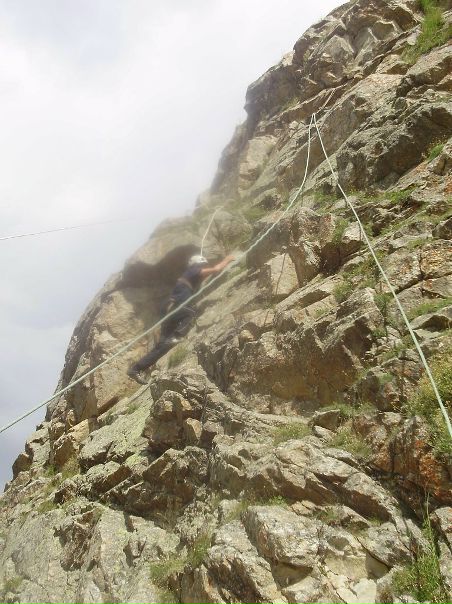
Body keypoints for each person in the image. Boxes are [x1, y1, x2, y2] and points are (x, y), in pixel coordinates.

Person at [127, 253, 235, 384]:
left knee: (163, 346)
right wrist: (227, 259)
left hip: (169, 309)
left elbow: (198, 280)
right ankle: (177, 336)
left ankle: (136, 369)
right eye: (203, 265)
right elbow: (215, 269)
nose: (204, 268)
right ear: (199, 263)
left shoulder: (189, 276)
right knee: (190, 314)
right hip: (175, 307)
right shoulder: (193, 270)